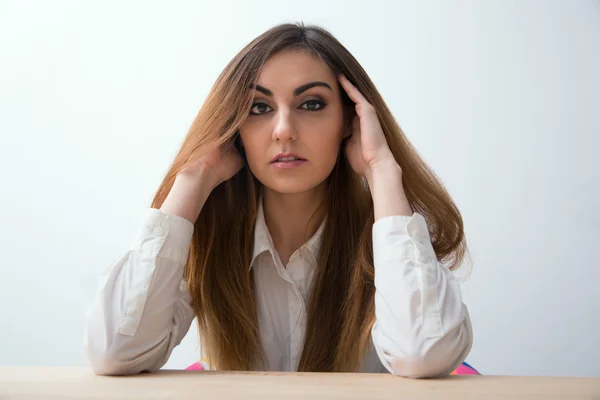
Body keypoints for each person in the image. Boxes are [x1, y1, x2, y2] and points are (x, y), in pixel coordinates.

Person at [83, 22, 473, 378]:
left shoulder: (387, 240)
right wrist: (194, 175)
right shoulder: (210, 237)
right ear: (234, 127)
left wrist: (382, 168)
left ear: (350, 122)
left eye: (311, 104)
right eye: (259, 108)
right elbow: (114, 353)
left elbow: (424, 354)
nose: (284, 130)